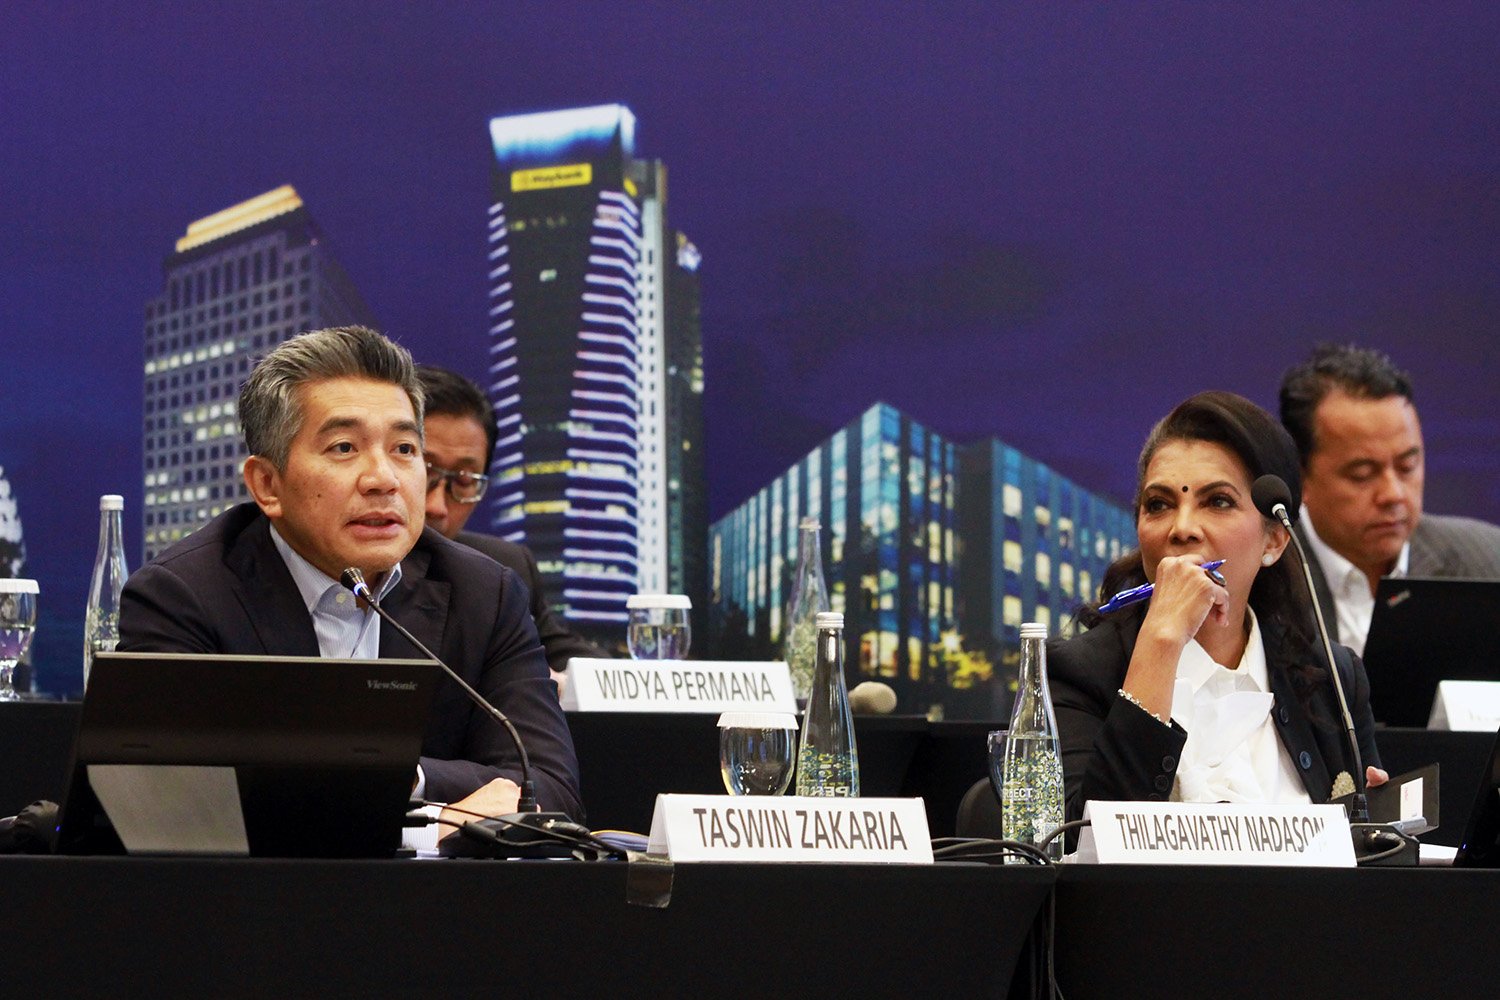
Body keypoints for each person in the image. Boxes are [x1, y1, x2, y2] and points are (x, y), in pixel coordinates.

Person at [118, 326, 583, 836]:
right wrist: (412, 788)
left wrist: (409, 779)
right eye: (344, 447)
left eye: (405, 449)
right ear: (267, 485)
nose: (383, 479)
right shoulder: (185, 596)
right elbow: (168, 800)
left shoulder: (485, 594)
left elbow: (547, 787)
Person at [1050, 391, 1387, 830]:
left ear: (1274, 541)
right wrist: (1161, 642)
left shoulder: (1333, 680)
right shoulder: (1078, 673)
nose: (1182, 528)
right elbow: (1079, 843)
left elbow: (1373, 855)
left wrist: (1377, 831)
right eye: (1159, 505)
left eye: (1218, 501)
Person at [1279, 343, 1500, 656]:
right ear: (1300, 476)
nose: (1393, 494)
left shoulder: (1488, 564)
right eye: (1362, 474)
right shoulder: (1260, 582)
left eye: (1407, 466)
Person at [415, 364, 606, 687]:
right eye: (426, 470)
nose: (436, 507)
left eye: (464, 481)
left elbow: (578, 664)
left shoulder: (501, 568)